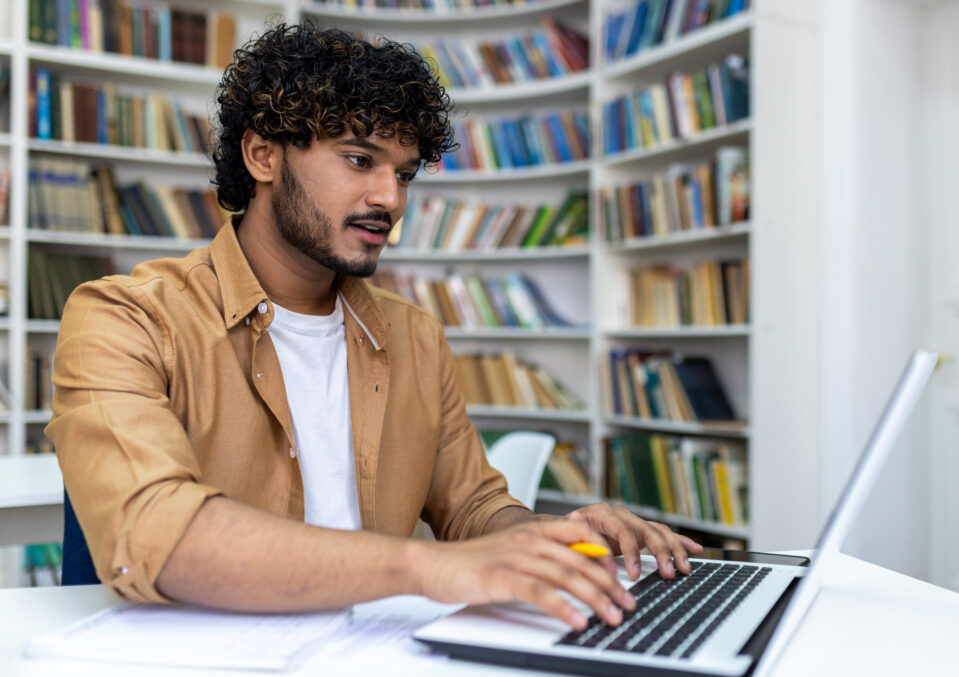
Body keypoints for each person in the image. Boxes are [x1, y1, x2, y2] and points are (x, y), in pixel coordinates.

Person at [46, 23, 701, 631]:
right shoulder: (125, 317)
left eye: (404, 173)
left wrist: (551, 533)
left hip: (375, 652)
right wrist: (422, 566)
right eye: (360, 159)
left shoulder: (414, 334)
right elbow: (156, 537)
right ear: (262, 154)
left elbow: (473, 509)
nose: (390, 198)